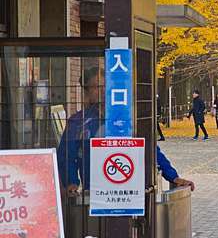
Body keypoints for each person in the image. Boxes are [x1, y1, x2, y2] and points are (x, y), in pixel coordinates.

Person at [57, 67, 195, 195]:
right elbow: (66, 156)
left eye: (106, 86)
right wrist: (72, 182)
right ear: (86, 91)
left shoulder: (129, 118)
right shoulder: (78, 122)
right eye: (95, 87)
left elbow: (150, 149)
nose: (102, 90)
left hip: (128, 193)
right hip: (93, 194)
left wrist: (173, 177)